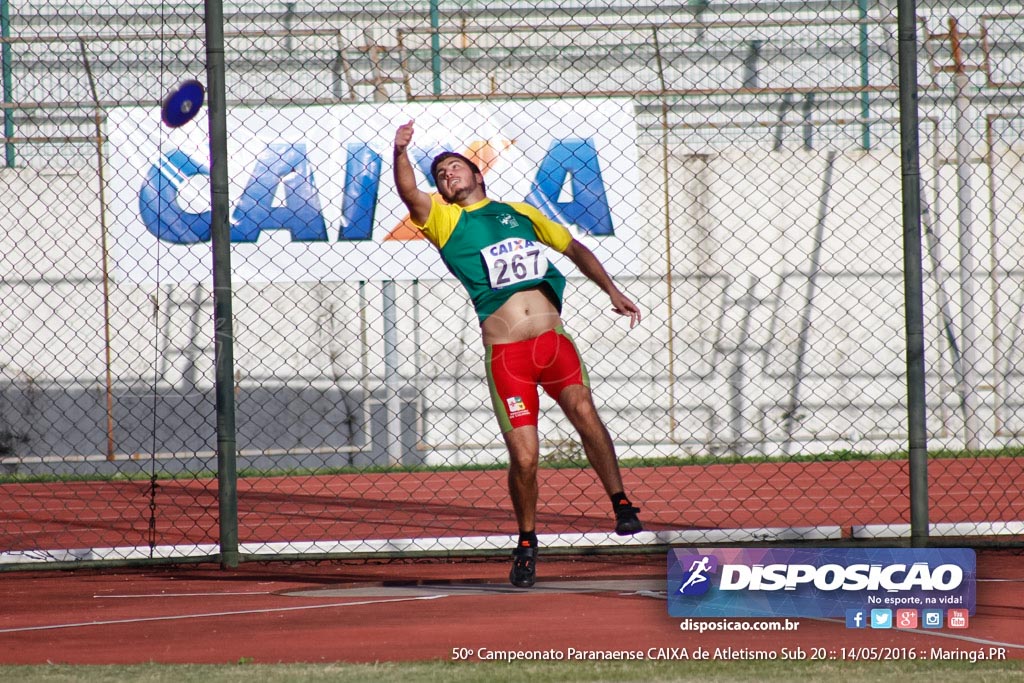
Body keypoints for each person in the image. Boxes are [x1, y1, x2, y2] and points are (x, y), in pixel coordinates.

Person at [393, 120, 644, 588]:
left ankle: (621, 503)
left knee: (585, 413)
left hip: (554, 344)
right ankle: (527, 543)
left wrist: (611, 288)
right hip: (509, 355)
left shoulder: (520, 213)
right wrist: (400, 151)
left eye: (455, 167)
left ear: (477, 175)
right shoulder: (445, 220)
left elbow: (574, 248)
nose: (447, 174)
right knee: (526, 459)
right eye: (441, 173)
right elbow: (410, 192)